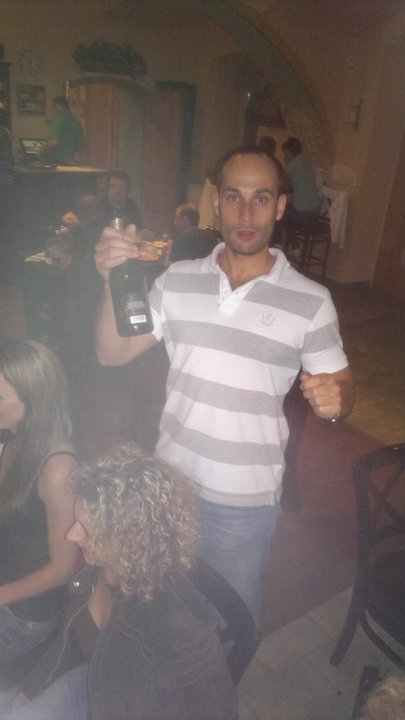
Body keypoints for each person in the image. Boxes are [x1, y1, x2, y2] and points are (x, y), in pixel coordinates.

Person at [93, 145, 355, 627]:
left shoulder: (312, 301)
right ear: (216, 204)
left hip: (245, 501)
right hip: (170, 487)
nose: (246, 214)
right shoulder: (176, 281)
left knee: (229, 620)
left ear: (280, 206)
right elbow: (113, 352)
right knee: (165, 608)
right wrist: (112, 282)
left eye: (261, 198)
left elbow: (340, 390)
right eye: (234, 197)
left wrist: (336, 403)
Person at [0, 443, 239, 720]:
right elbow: (66, 645)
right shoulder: (98, 571)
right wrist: (28, 691)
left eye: (85, 528)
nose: (71, 535)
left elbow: (215, 708)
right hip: (93, 679)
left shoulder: (178, 632)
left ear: (127, 541)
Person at [0, 340, 79, 663]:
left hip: (25, 612)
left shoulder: (58, 468)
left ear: (33, 401)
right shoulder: (14, 434)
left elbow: (62, 569)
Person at [281, 136, 321, 255]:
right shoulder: (306, 161)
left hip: (303, 216)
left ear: (289, 152)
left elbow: (284, 182)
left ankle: (293, 246)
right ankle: (292, 246)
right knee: (288, 209)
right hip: (316, 213)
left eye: (285, 153)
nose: (284, 156)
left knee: (281, 212)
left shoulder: (293, 164)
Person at [41, 96, 85, 166]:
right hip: (73, 160)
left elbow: (54, 142)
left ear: (56, 105)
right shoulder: (75, 120)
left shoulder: (58, 117)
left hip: (59, 159)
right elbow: (81, 144)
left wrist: (42, 149)